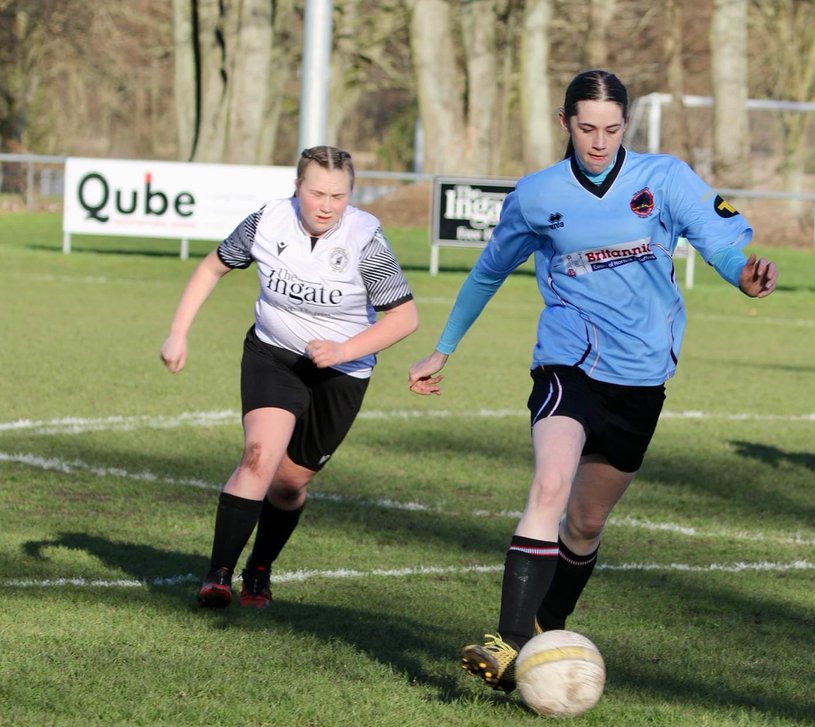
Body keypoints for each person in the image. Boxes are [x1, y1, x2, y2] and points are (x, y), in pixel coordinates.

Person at [408, 69, 778, 692]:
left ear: (625, 124)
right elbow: (487, 272)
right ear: (564, 124)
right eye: (586, 128)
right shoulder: (536, 195)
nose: (599, 141)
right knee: (550, 486)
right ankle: (508, 639)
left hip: (641, 378)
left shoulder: (664, 179)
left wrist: (744, 273)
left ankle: (543, 636)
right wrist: (442, 350)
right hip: (568, 362)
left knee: (584, 524)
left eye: (610, 128)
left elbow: (720, 242)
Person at [161, 145, 419, 608]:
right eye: (316, 192)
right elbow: (211, 267)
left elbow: (404, 318)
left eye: (338, 196)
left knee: (287, 485)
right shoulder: (267, 221)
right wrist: (177, 333)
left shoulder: (365, 240)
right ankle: (217, 575)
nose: (326, 205)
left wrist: (343, 349)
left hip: (341, 373)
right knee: (259, 457)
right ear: (296, 187)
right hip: (273, 356)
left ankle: (259, 567)